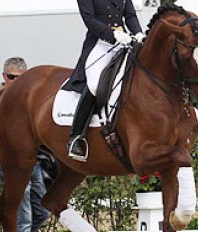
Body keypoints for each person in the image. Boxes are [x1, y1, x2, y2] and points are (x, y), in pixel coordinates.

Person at [62, 0, 145, 162]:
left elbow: (130, 16)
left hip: (124, 41)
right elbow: (89, 20)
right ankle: (77, 137)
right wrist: (112, 34)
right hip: (100, 43)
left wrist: (139, 33)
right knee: (94, 85)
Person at [0, 57, 50, 232]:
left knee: (43, 212)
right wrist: (11, 159)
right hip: (14, 168)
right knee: (23, 218)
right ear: (4, 76)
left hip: (34, 166)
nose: (15, 81)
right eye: (11, 76)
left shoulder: (29, 100)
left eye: (20, 77)